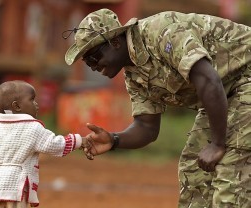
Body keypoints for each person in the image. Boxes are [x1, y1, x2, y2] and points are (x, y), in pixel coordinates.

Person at [63, 8, 251, 208]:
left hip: (244, 77)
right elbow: (147, 127)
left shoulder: (161, 31)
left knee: (232, 167)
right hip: (225, 91)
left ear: (115, 42)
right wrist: (114, 139)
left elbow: (208, 79)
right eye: (87, 62)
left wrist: (218, 143)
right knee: (193, 169)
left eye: (93, 57)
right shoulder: (135, 76)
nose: (92, 66)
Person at [0, 80, 93, 208]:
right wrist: (79, 140)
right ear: (17, 106)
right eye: (32, 100)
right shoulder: (32, 127)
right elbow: (54, 145)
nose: (37, 104)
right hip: (14, 186)